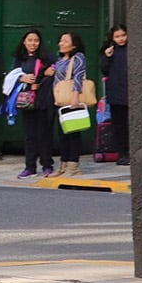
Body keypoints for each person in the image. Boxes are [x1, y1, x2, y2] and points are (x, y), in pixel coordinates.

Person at [11, 30, 57, 180]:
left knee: (45, 134)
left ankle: (47, 164)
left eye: (36, 40)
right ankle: (30, 167)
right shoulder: (19, 58)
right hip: (27, 102)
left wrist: (43, 77)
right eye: (29, 40)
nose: (33, 43)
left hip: (44, 100)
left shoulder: (47, 57)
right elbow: (12, 76)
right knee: (29, 135)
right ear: (24, 42)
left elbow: (55, 72)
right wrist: (22, 78)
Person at [51, 29, 91, 175]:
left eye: (66, 41)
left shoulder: (78, 58)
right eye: (60, 41)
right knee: (62, 133)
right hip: (60, 101)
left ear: (74, 45)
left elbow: (79, 76)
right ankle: (63, 164)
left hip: (72, 99)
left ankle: (73, 165)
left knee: (73, 132)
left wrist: (75, 96)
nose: (61, 44)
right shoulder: (59, 60)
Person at [97, 24, 129, 163]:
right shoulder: (110, 51)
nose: (121, 39)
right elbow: (104, 69)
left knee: (130, 124)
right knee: (119, 125)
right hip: (116, 93)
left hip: (130, 92)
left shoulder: (132, 49)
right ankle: (122, 154)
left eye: (123, 35)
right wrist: (107, 56)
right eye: (117, 36)